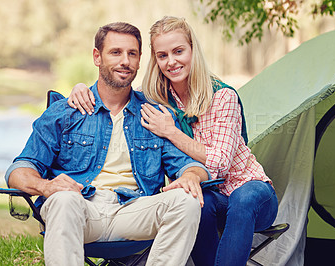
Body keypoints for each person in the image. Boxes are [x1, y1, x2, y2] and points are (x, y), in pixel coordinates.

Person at [68, 16, 278, 266]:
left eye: (179, 51)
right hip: (210, 198)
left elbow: (219, 164)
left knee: (244, 198)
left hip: (251, 194)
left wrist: (171, 131)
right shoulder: (157, 101)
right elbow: (116, 92)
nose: (172, 61)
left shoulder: (223, 97)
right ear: (155, 60)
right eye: (163, 55)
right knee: (198, 201)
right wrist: (81, 88)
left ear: (193, 50)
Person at [4, 22, 211, 266]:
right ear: (97, 56)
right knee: (62, 199)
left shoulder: (153, 115)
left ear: (139, 59)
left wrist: (191, 175)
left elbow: (191, 166)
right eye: (115, 52)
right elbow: (18, 171)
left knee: (186, 201)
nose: (125, 61)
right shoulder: (65, 113)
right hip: (81, 209)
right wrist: (46, 186)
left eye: (132, 54)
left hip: (134, 210)